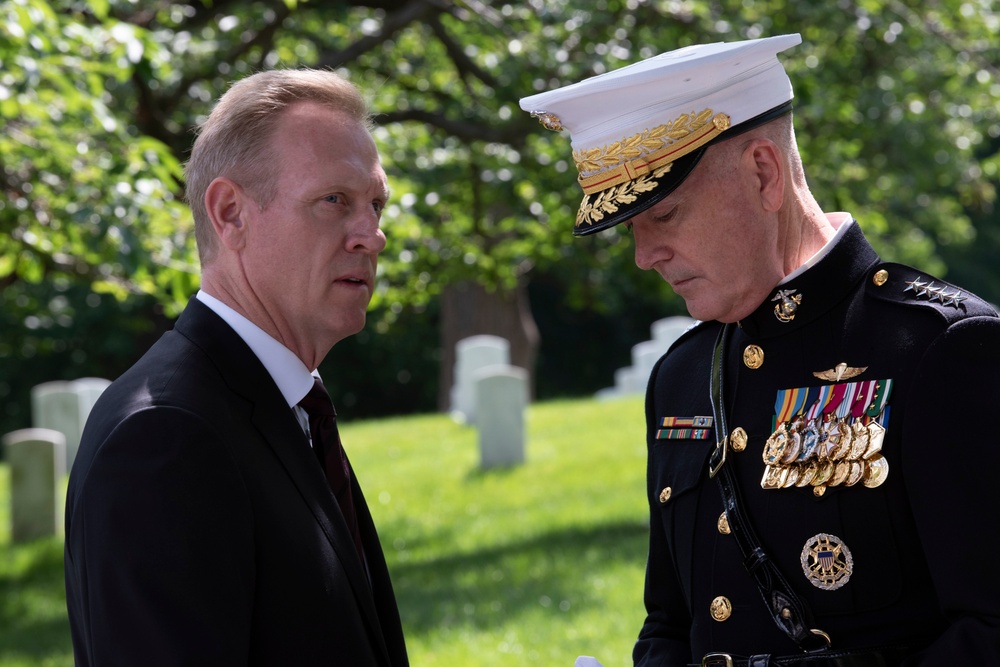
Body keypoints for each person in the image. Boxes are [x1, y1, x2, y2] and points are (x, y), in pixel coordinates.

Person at [521, 34, 1000, 666]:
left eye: (664, 215)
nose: (643, 256)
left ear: (763, 173)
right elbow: (669, 624)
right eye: (631, 228)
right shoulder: (683, 374)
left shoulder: (942, 347)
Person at [64, 69, 409, 666]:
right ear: (230, 214)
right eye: (334, 200)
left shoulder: (283, 405)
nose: (371, 236)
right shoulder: (165, 437)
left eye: (375, 204)